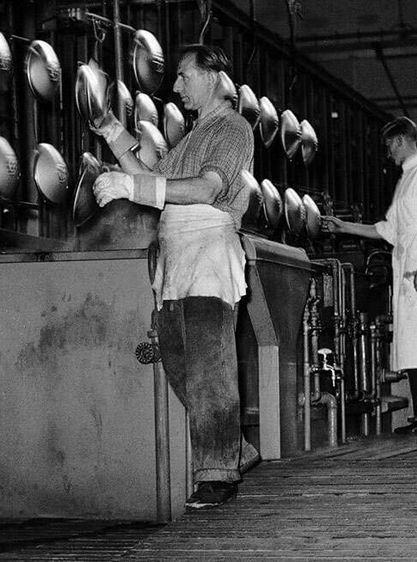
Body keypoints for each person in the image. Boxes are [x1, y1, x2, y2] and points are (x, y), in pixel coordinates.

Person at [90, 44, 260, 509]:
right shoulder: (190, 136)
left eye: (185, 76)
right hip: (176, 259)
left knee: (210, 371)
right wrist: (110, 131)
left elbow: (206, 188)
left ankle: (216, 475)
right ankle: (235, 450)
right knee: (181, 365)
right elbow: (151, 181)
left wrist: (130, 186)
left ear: (213, 75)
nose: (177, 86)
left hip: (207, 253)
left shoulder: (232, 128)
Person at [322, 116, 417, 436]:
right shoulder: (405, 180)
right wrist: (344, 227)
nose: (388, 154)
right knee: (413, 343)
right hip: (407, 264)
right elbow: (386, 230)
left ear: (399, 141)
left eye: (389, 147)